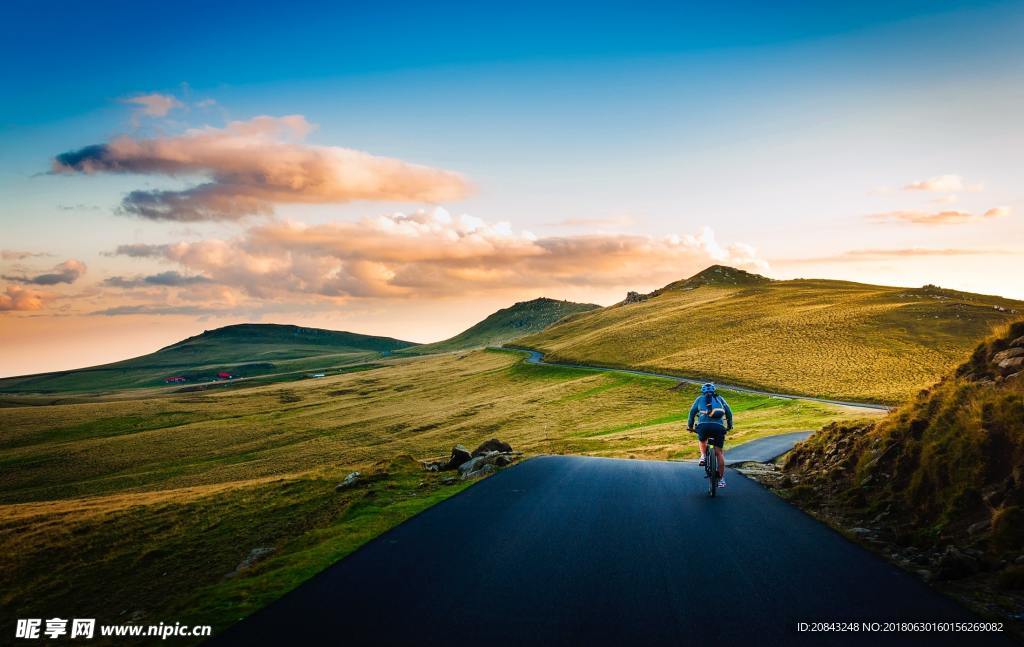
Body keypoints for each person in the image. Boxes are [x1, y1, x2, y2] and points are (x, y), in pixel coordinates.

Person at [687, 383, 733, 488]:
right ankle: (721, 479)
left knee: (702, 440)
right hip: (718, 427)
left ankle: (703, 456)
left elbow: (692, 413)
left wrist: (690, 426)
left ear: (702, 391)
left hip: (703, 427)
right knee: (719, 453)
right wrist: (729, 425)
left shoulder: (699, 399)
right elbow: (729, 412)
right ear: (714, 390)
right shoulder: (720, 399)